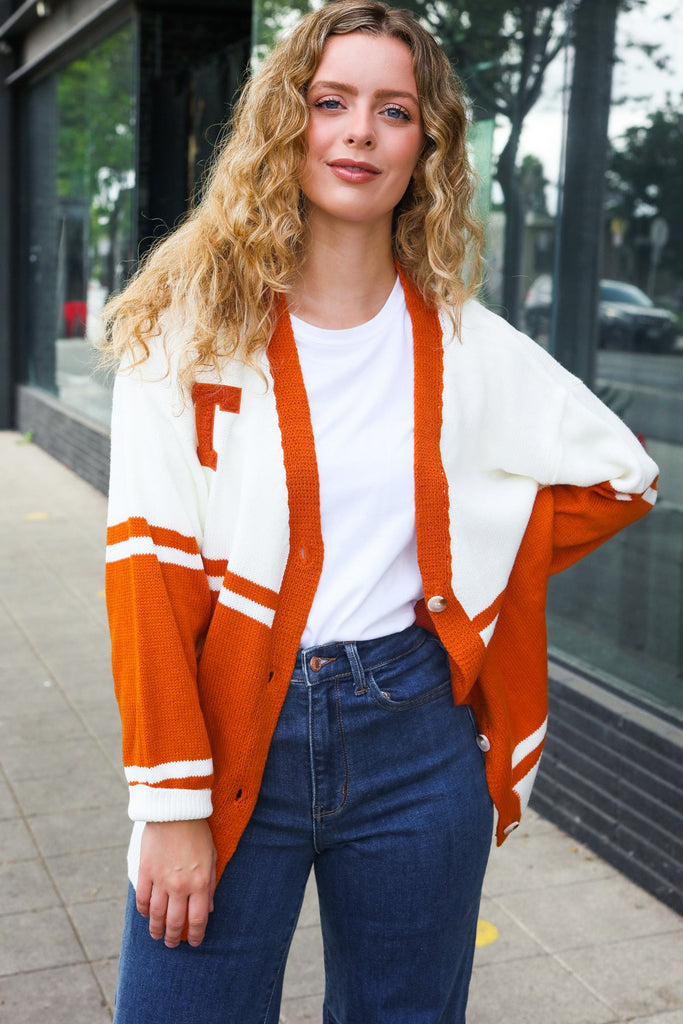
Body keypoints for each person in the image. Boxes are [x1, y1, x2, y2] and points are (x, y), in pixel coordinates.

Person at [102, 2, 659, 1021]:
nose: (359, 131)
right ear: (286, 123)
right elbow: (149, 571)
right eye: (330, 102)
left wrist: (479, 567)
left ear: (425, 147)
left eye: (392, 110)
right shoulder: (185, 331)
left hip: (414, 733)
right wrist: (169, 805)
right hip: (233, 730)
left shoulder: (464, 343)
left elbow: (619, 475)